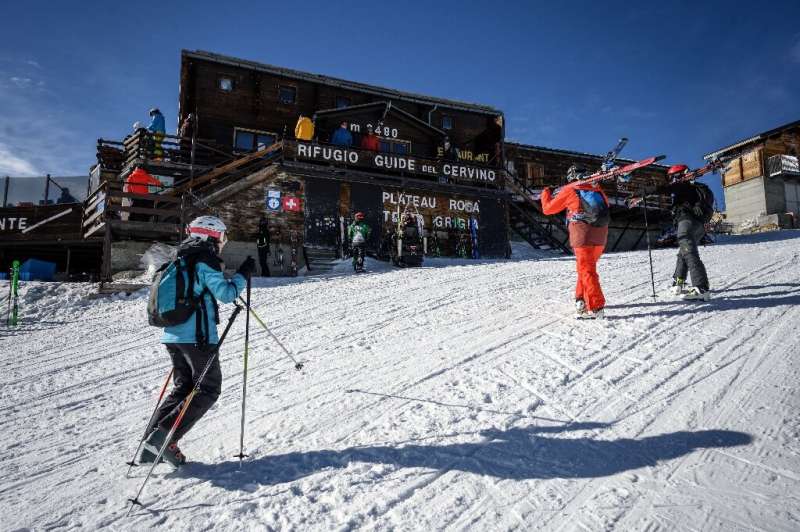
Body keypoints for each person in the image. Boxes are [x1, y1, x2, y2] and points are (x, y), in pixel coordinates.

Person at [142, 216, 255, 466]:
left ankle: (150, 445)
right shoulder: (205, 258)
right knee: (208, 388)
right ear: (210, 236)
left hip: (172, 335)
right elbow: (225, 294)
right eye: (221, 237)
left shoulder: (180, 257)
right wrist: (243, 274)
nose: (223, 243)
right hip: (198, 338)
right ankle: (164, 438)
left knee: (183, 388)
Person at [541, 165, 610, 319]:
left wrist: (546, 193)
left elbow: (548, 209)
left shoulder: (570, 190)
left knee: (586, 270)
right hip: (600, 235)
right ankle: (581, 300)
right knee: (585, 268)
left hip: (582, 234)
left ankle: (597, 307)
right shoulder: (597, 190)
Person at [644, 164, 712, 300]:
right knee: (684, 253)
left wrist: (644, 191)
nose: (671, 180)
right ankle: (678, 283)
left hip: (686, 222)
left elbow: (664, 189)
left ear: (678, 175)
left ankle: (701, 288)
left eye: (671, 177)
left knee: (689, 253)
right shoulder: (695, 189)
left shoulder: (684, 185)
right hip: (698, 225)